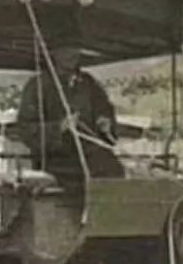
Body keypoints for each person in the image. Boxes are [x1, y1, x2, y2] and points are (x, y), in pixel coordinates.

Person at [17, 44, 124, 190]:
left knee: (112, 169)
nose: (72, 54)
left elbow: (104, 111)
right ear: (54, 53)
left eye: (75, 50)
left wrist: (105, 124)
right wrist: (59, 127)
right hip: (56, 158)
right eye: (66, 50)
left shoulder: (88, 83)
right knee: (77, 174)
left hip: (89, 153)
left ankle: (102, 212)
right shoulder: (38, 85)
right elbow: (25, 129)